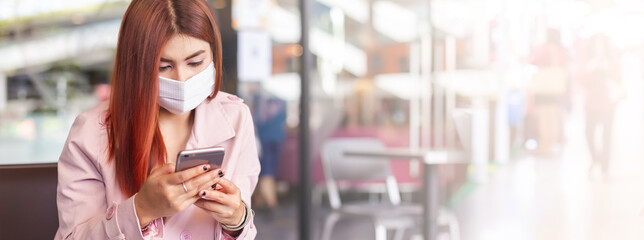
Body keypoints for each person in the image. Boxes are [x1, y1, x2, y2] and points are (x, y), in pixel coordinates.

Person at [55, 0, 260, 239]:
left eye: (195, 62)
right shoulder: (91, 132)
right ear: (135, 64)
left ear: (213, 54)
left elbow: (244, 220)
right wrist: (142, 209)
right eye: (163, 67)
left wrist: (237, 220)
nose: (182, 78)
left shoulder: (236, 117)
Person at [582, 34, 623, 177]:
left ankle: (605, 166)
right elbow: (580, 79)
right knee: (588, 133)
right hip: (591, 103)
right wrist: (589, 68)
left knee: (607, 136)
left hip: (608, 103)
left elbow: (618, 78)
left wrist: (607, 69)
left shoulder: (611, 60)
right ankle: (595, 158)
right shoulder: (588, 60)